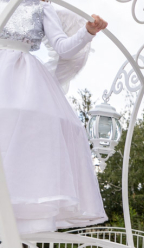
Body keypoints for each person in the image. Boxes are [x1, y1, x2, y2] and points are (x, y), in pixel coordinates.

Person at [0, 0, 108, 234]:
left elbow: (63, 47)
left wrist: (87, 32)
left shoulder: (42, 7)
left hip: (24, 77)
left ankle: (20, 203)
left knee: (36, 127)